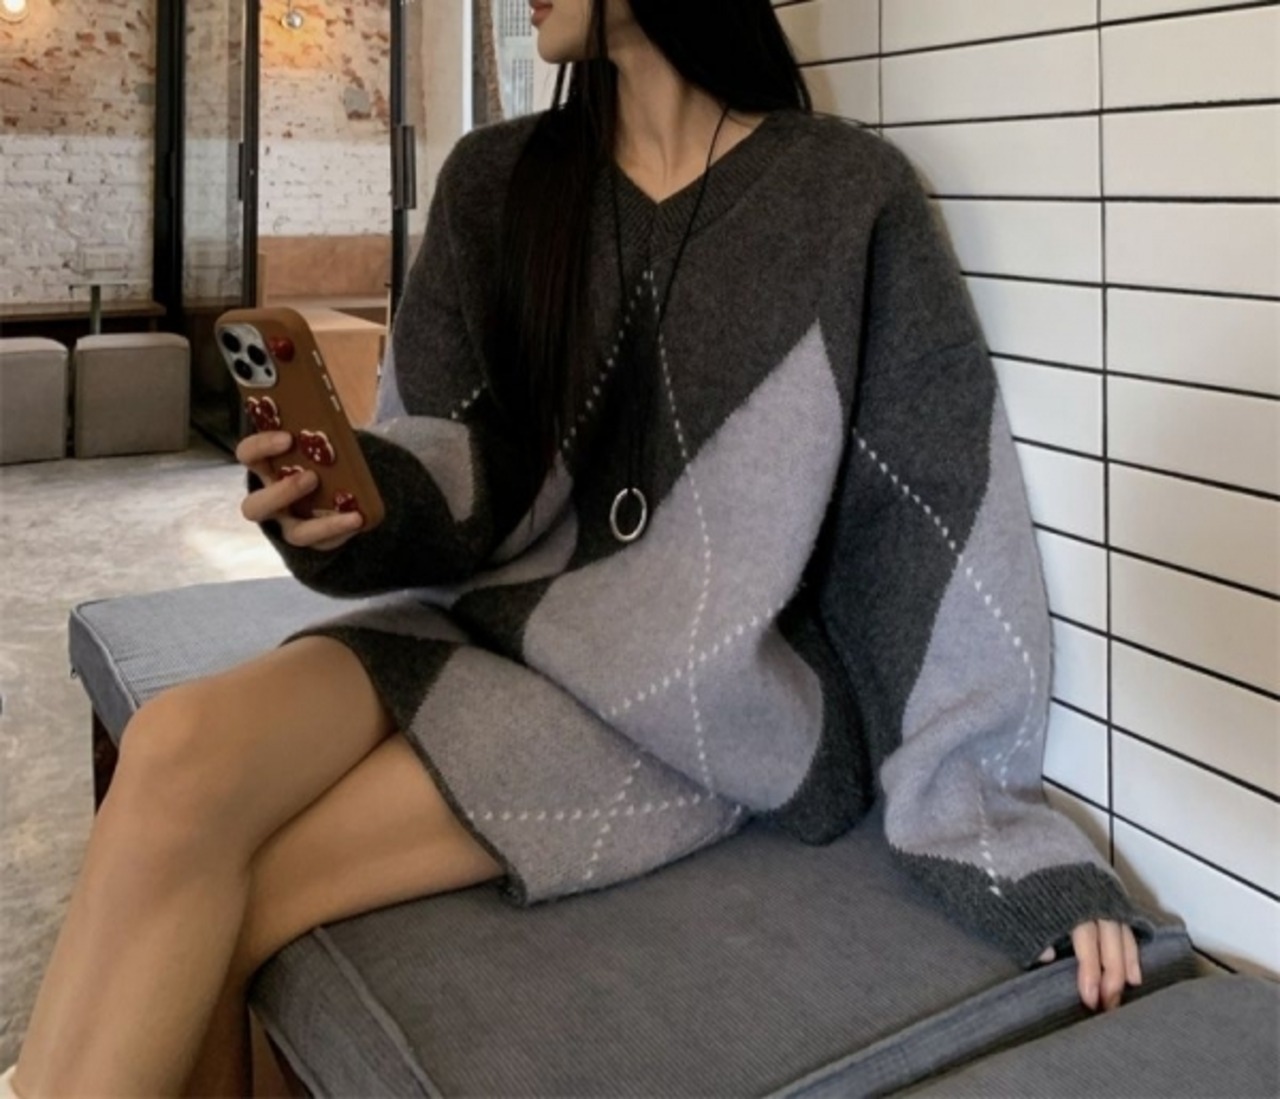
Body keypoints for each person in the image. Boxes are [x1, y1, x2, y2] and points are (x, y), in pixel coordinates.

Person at [4, 2, 1148, 1095]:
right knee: (175, 745)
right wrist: (355, 502)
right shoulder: (497, 180)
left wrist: (995, 828)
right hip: (481, 621)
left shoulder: (846, 196)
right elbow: (447, 446)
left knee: (245, 897)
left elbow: (933, 517)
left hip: (679, 701)